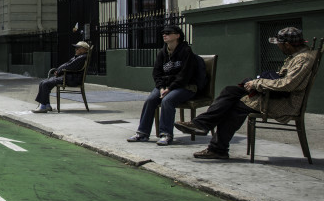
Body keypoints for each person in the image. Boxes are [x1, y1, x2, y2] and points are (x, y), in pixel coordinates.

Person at [175, 27, 316, 160]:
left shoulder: (303, 59)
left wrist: (257, 83)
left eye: (279, 44)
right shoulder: (296, 55)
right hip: (273, 94)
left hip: (283, 102)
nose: (278, 47)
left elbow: (287, 84)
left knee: (234, 107)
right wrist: (257, 81)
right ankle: (203, 127)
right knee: (230, 91)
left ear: (287, 45)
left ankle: (214, 144)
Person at [126, 25, 198, 146]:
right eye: (163, 33)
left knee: (167, 100)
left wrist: (170, 88)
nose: (165, 34)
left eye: (168, 33)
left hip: (185, 87)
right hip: (165, 86)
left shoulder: (186, 51)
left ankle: (166, 134)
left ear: (177, 35)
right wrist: (161, 87)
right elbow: (157, 73)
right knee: (150, 100)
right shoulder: (162, 52)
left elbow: (185, 76)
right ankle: (142, 133)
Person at [32, 41, 90, 113]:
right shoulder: (78, 57)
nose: (76, 50)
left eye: (77, 48)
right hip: (68, 77)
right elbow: (67, 64)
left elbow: (69, 66)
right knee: (42, 82)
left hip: (71, 79)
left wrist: (59, 71)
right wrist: (59, 70)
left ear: (83, 49)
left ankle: (43, 106)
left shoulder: (81, 58)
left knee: (45, 84)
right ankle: (46, 105)